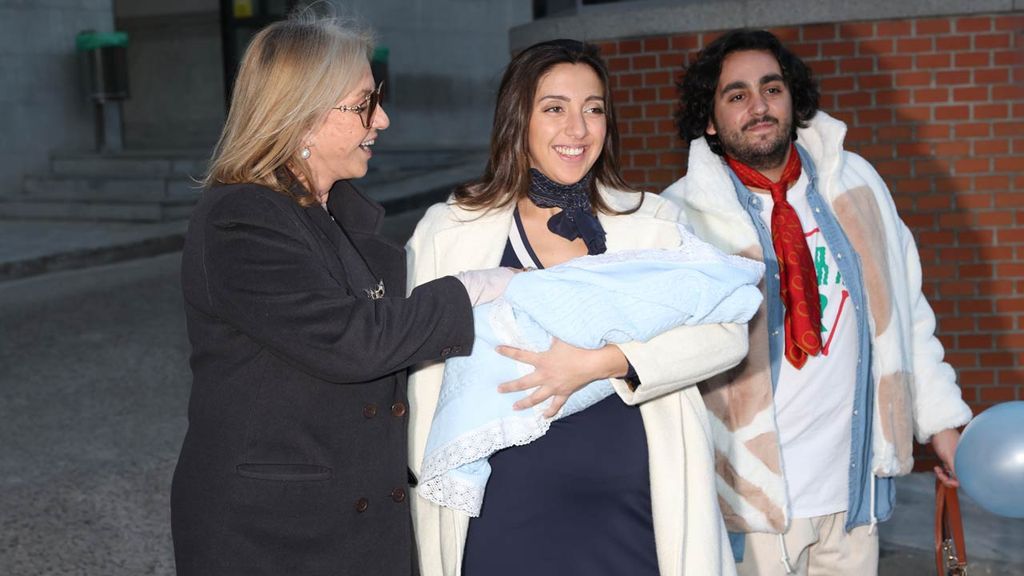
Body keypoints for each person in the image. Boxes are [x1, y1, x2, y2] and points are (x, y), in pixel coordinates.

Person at [171, 14, 512, 576]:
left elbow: (399, 319)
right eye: (361, 104)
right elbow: (352, 340)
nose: (382, 118)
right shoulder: (240, 218)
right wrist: (471, 290)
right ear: (301, 118)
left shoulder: (335, 215)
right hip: (273, 537)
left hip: (349, 525)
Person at [406, 39, 748, 576]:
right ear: (517, 119)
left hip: (635, 515)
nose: (578, 129)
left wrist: (605, 361)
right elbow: (415, 365)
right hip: (499, 514)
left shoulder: (651, 222)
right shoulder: (451, 230)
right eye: (555, 109)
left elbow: (729, 332)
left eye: (593, 109)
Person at [663, 29, 973, 576]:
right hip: (749, 510)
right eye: (736, 95)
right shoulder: (682, 220)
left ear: (792, 98)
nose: (759, 106)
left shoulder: (854, 182)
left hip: (851, 497)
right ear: (709, 120)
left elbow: (906, 318)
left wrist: (942, 424)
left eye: (772, 88)